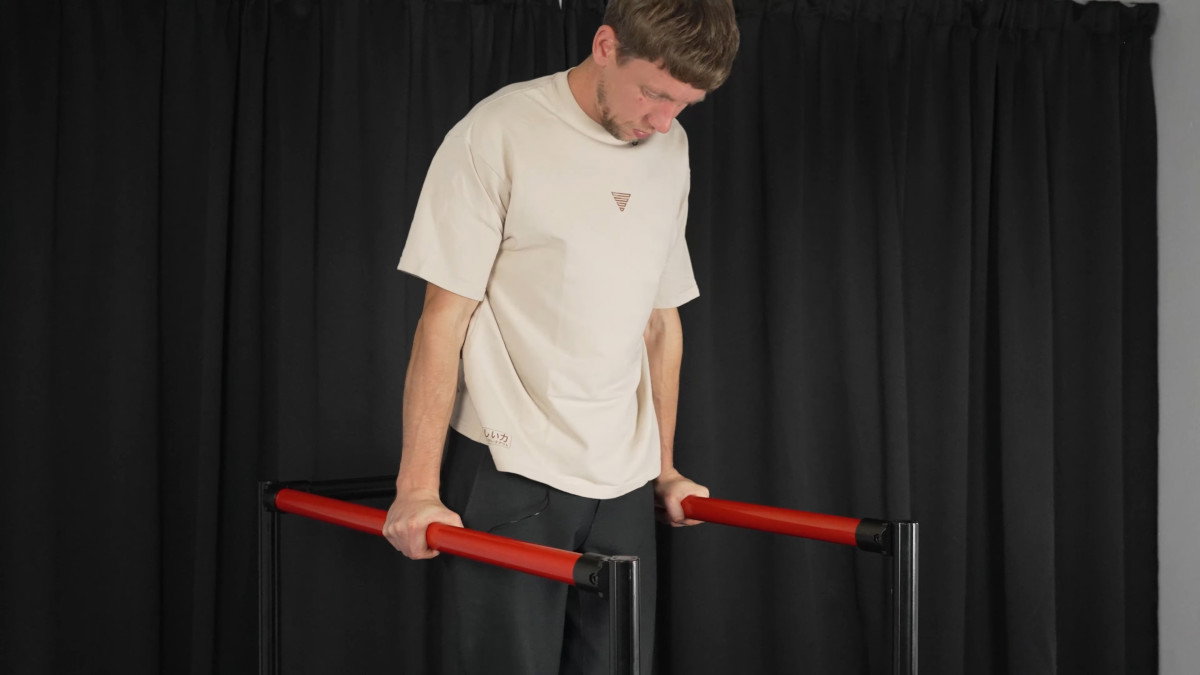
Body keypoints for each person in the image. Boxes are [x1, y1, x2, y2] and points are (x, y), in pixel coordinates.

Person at [383, 0, 739, 671]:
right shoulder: (498, 130)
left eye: (684, 105)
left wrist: (663, 466)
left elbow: (660, 321)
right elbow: (443, 317)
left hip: (623, 479)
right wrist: (417, 487)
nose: (663, 120)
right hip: (511, 465)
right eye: (653, 93)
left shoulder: (671, 148)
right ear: (605, 45)